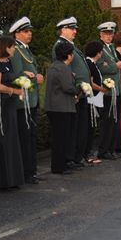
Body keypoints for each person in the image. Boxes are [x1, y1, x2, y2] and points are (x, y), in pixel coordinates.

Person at [9, 17, 44, 184]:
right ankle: (26, 172)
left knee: (31, 136)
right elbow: (17, 75)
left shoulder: (26, 49)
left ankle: (31, 171)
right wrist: (33, 77)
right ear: (17, 34)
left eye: (30, 31)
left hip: (31, 100)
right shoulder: (16, 50)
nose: (29, 34)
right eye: (25, 31)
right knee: (25, 138)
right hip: (23, 102)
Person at [53, 17, 91, 169]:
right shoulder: (60, 46)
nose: (75, 31)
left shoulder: (71, 45)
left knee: (80, 127)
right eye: (72, 28)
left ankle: (77, 156)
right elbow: (63, 69)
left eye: (75, 28)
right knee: (73, 129)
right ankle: (71, 158)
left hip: (80, 92)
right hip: (73, 93)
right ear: (63, 30)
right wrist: (75, 91)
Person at [0, 36, 25, 190]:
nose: (15, 49)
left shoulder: (8, 62)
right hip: (1, 105)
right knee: (4, 140)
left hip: (10, 104)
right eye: (13, 47)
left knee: (12, 140)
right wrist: (14, 91)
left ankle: (13, 178)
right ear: (6, 47)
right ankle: (2, 180)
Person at [45, 41, 78, 175]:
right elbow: (68, 87)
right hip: (62, 107)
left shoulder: (54, 66)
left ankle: (59, 164)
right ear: (69, 55)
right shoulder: (64, 68)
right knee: (62, 138)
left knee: (58, 138)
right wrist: (79, 90)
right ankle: (60, 166)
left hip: (53, 107)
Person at [96, 22, 121, 160]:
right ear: (100, 35)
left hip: (116, 89)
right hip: (107, 90)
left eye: (111, 34)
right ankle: (103, 150)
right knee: (107, 122)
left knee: (114, 120)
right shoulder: (100, 48)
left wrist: (113, 65)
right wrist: (115, 66)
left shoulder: (111, 48)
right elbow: (101, 67)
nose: (109, 36)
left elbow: (114, 63)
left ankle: (111, 148)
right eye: (106, 34)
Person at [84, 40, 105, 165]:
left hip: (96, 98)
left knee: (92, 127)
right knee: (90, 127)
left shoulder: (92, 63)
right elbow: (90, 82)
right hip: (91, 98)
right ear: (98, 52)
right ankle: (87, 154)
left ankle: (88, 152)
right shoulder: (89, 64)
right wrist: (102, 88)